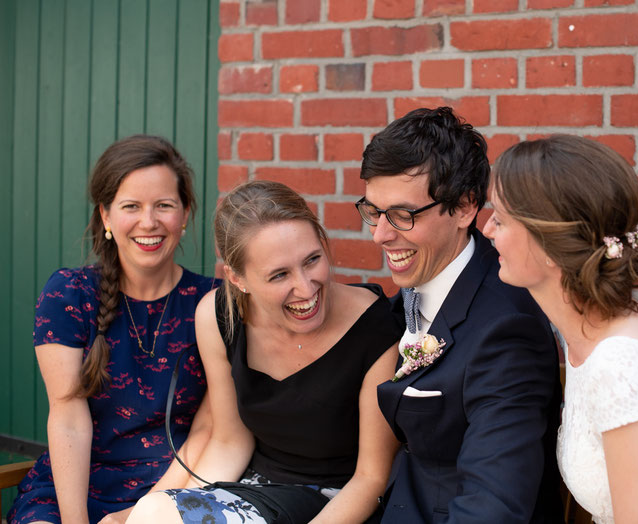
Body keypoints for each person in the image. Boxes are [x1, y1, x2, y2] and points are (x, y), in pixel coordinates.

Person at [126, 180, 401, 524]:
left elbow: (371, 478)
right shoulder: (218, 317)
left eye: (312, 260)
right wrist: (184, 501)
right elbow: (229, 442)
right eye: (279, 275)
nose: (305, 287)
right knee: (156, 513)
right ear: (237, 278)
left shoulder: (374, 328)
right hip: (255, 493)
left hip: (337, 503)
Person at [483, 135, 638, 523]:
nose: (487, 229)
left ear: (550, 246)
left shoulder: (621, 366)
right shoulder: (595, 336)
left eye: (501, 218)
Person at [356, 107, 564, 523]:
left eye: (402, 215)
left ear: (465, 207)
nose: (380, 233)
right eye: (373, 211)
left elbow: (494, 506)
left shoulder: (507, 330)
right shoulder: (408, 296)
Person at [7, 135, 218, 524]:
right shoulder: (70, 295)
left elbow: (212, 427)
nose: (149, 222)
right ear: (105, 215)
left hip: (175, 490)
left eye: (165, 205)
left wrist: (138, 515)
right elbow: (68, 419)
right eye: (131, 206)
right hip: (71, 488)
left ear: (186, 214)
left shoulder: (213, 303)